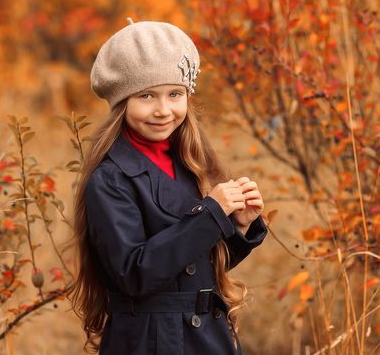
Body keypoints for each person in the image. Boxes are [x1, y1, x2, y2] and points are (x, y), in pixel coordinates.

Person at [69, 20, 268, 354]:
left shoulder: (191, 161)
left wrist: (237, 226)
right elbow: (134, 273)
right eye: (146, 96)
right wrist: (211, 216)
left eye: (174, 94)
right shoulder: (110, 179)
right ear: (122, 102)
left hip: (207, 337)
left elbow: (192, 270)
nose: (163, 110)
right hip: (151, 341)